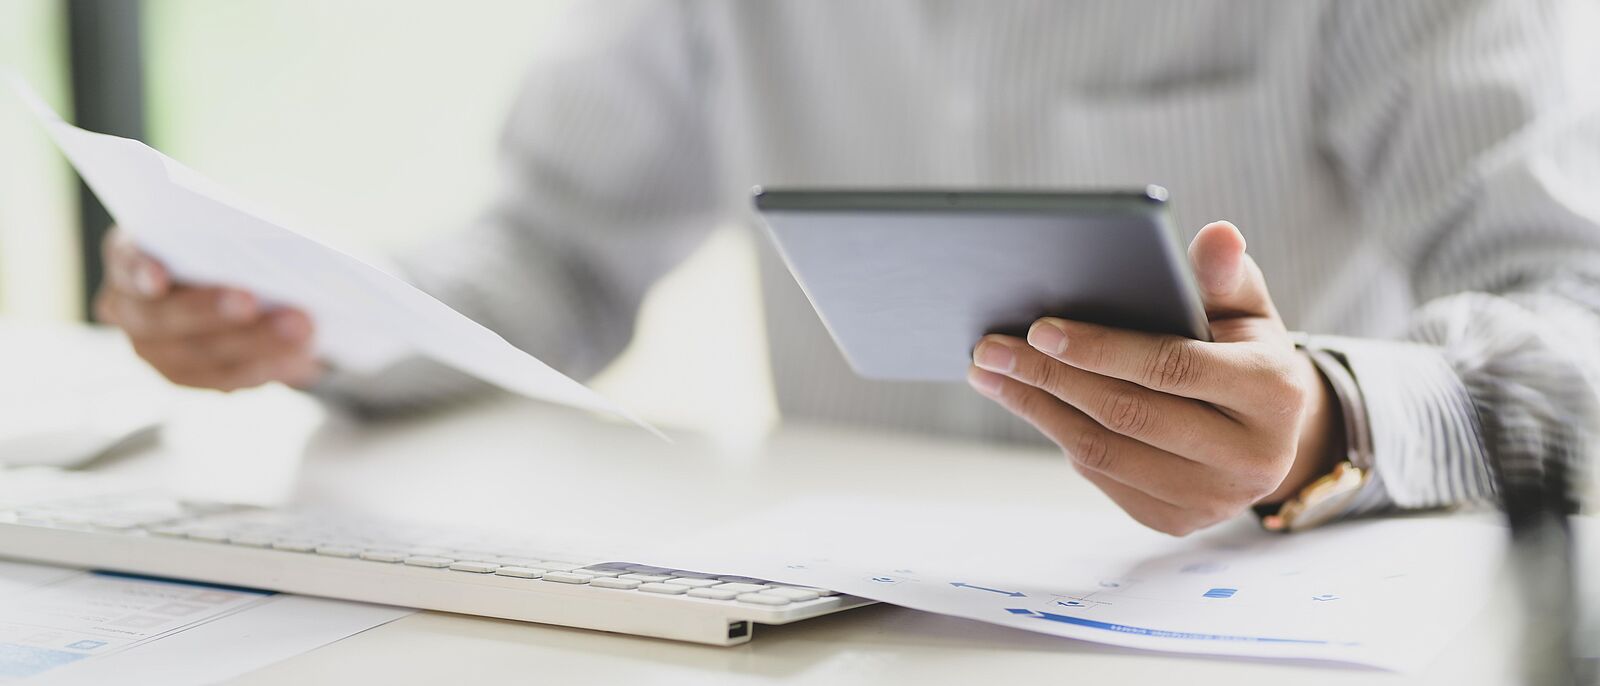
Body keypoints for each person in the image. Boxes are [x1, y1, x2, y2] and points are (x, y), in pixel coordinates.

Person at [94, 0, 1599, 535]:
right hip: (855, 635)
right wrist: (290, 313)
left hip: (1256, 621)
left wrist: (1329, 418)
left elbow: (1578, 315)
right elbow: (546, 252)